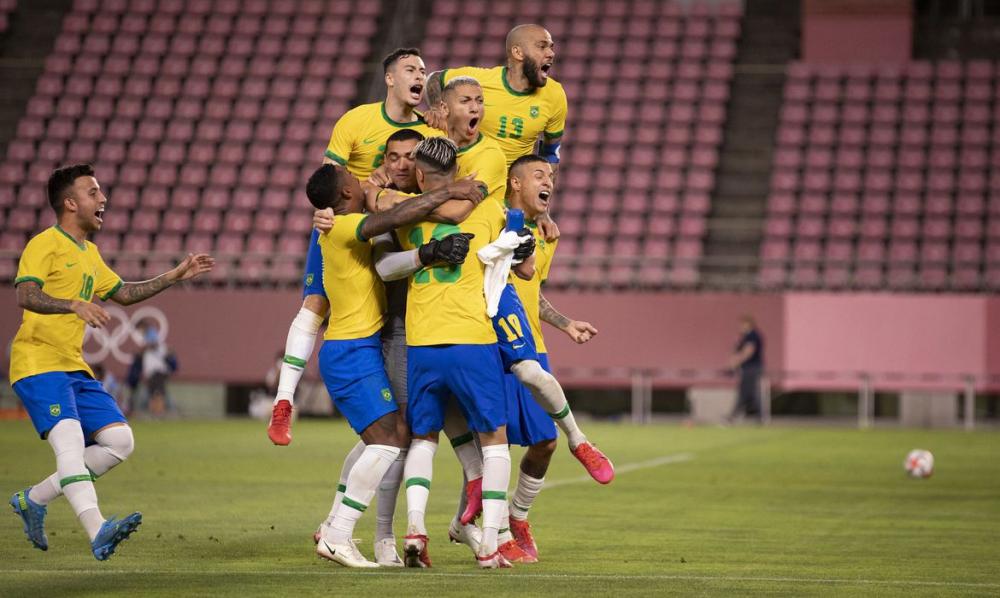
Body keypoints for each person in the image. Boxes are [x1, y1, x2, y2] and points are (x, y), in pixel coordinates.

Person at [8, 164, 213, 560]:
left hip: (72, 364)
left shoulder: (89, 252)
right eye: (93, 192)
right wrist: (73, 303)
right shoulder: (44, 243)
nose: (103, 199)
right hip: (37, 362)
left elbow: (122, 293)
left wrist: (173, 275)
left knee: (119, 441)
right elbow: (25, 295)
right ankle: (97, 529)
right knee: (68, 442)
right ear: (70, 203)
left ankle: (33, 499)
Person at [305, 158, 485, 568]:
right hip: (350, 352)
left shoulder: (338, 226)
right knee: (388, 442)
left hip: (360, 349)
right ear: (347, 192)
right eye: (354, 178)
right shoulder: (345, 226)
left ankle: (336, 524)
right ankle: (338, 533)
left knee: (389, 436)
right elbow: (396, 214)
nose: (361, 178)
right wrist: (450, 191)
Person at [268, 47, 435, 446]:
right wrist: (326, 213)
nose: (420, 76)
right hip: (345, 227)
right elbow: (328, 176)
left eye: (424, 71)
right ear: (390, 78)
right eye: (411, 69)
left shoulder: (430, 132)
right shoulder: (355, 120)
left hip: (393, 229)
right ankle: (284, 400)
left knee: (388, 321)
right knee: (315, 304)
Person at [492, 154, 609, 563]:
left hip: (533, 346)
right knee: (495, 444)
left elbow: (531, 291)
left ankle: (517, 517)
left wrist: (564, 322)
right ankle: (495, 533)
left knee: (544, 442)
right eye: (540, 174)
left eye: (553, 177)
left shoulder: (545, 236)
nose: (550, 183)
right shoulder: (491, 222)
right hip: (492, 346)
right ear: (514, 182)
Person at [425, 24, 565, 170]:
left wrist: (545, 183)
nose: (551, 53)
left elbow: (551, 151)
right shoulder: (480, 81)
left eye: (551, 47)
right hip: (470, 180)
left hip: (512, 189)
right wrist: (436, 108)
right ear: (518, 53)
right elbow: (435, 78)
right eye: (542, 47)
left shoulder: (554, 94)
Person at [729, 315, 764, 421]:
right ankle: (759, 417)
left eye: (742, 324)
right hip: (749, 368)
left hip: (752, 368)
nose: (740, 327)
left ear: (748, 324)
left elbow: (748, 352)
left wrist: (736, 362)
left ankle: (734, 416)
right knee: (747, 392)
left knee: (748, 392)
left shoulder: (752, 335)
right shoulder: (746, 336)